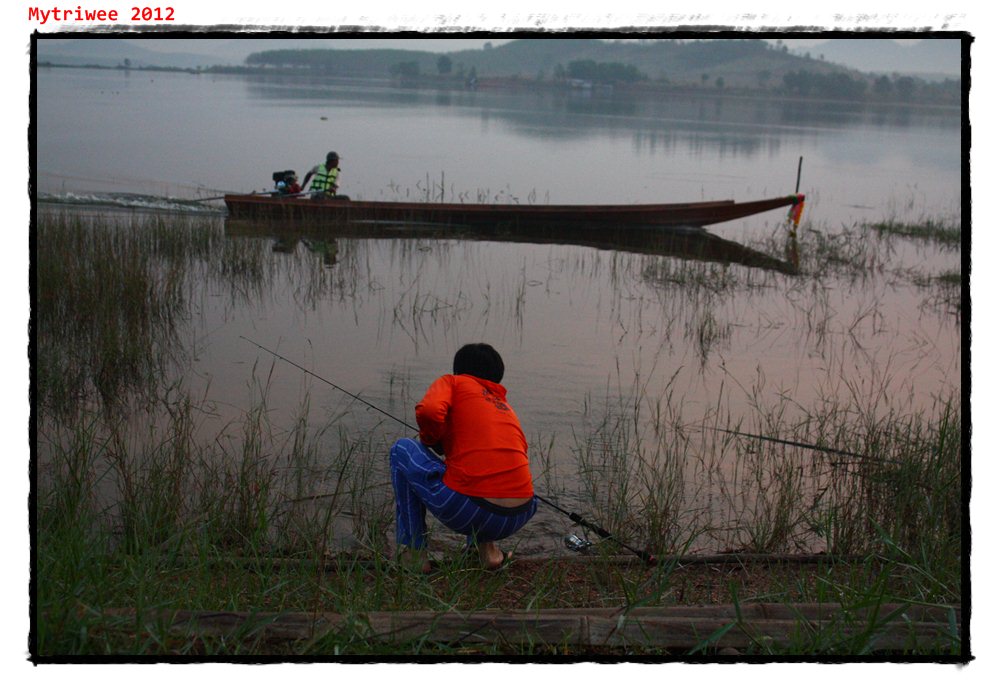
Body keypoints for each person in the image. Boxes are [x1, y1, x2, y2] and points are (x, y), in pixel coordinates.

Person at [389, 344, 537, 573]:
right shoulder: (505, 406)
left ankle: (415, 554)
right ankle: (487, 552)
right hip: (520, 515)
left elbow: (429, 411)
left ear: (459, 370)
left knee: (402, 449)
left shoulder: (454, 382)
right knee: (479, 472)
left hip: (468, 512)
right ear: (497, 378)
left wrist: (431, 439)